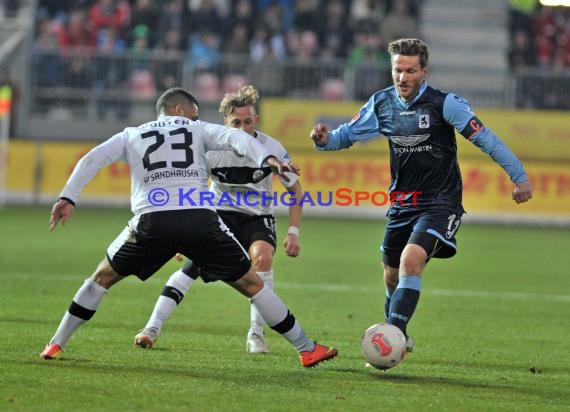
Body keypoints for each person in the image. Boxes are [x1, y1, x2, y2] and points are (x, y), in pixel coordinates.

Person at [40, 87, 338, 368]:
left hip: (151, 220)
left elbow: (91, 159)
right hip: (199, 219)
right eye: (194, 113)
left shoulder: (131, 134)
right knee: (252, 284)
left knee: (101, 277)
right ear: (179, 109)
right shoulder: (197, 128)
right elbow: (240, 140)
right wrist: (268, 158)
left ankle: (56, 343)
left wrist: (68, 197)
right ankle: (307, 349)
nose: (196, 119)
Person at [310, 38, 533, 354]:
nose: (402, 78)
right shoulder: (382, 103)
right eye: (397, 70)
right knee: (390, 273)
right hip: (402, 203)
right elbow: (345, 136)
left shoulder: (446, 105)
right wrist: (324, 140)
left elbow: (488, 140)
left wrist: (519, 177)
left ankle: (394, 339)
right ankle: (398, 331)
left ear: (424, 72)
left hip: (441, 202)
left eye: (410, 71)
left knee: (411, 260)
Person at [134, 85, 304, 354]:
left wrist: (293, 231)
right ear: (226, 122)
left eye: (248, 122)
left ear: (256, 121)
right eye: (236, 122)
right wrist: (183, 234)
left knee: (263, 257)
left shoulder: (271, 148)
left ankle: (256, 334)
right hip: (217, 214)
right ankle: (151, 328)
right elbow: (191, 187)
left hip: (256, 218)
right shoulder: (208, 147)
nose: (242, 128)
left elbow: (295, 190)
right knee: (191, 268)